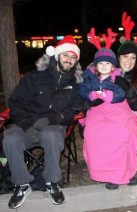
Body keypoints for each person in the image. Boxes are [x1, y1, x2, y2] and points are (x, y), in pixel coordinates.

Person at [2, 35, 83, 208]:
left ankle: (52, 182)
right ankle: (22, 184)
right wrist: (24, 122)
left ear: (76, 61)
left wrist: (58, 118)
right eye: (65, 55)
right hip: (29, 124)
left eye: (72, 57)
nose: (68, 60)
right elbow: (16, 102)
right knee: (10, 136)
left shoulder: (75, 84)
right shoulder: (34, 78)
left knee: (51, 134)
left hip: (54, 127)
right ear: (57, 55)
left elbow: (77, 108)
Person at [79, 47, 137, 190]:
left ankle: (124, 172)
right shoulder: (92, 76)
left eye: (133, 57)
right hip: (99, 112)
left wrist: (127, 91)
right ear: (118, 59)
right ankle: (107, 173)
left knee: (122, 133)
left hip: (123, 111)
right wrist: (91, 99)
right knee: (93, 132)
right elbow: (83, 94)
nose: (128, 61)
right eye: (125, 56)